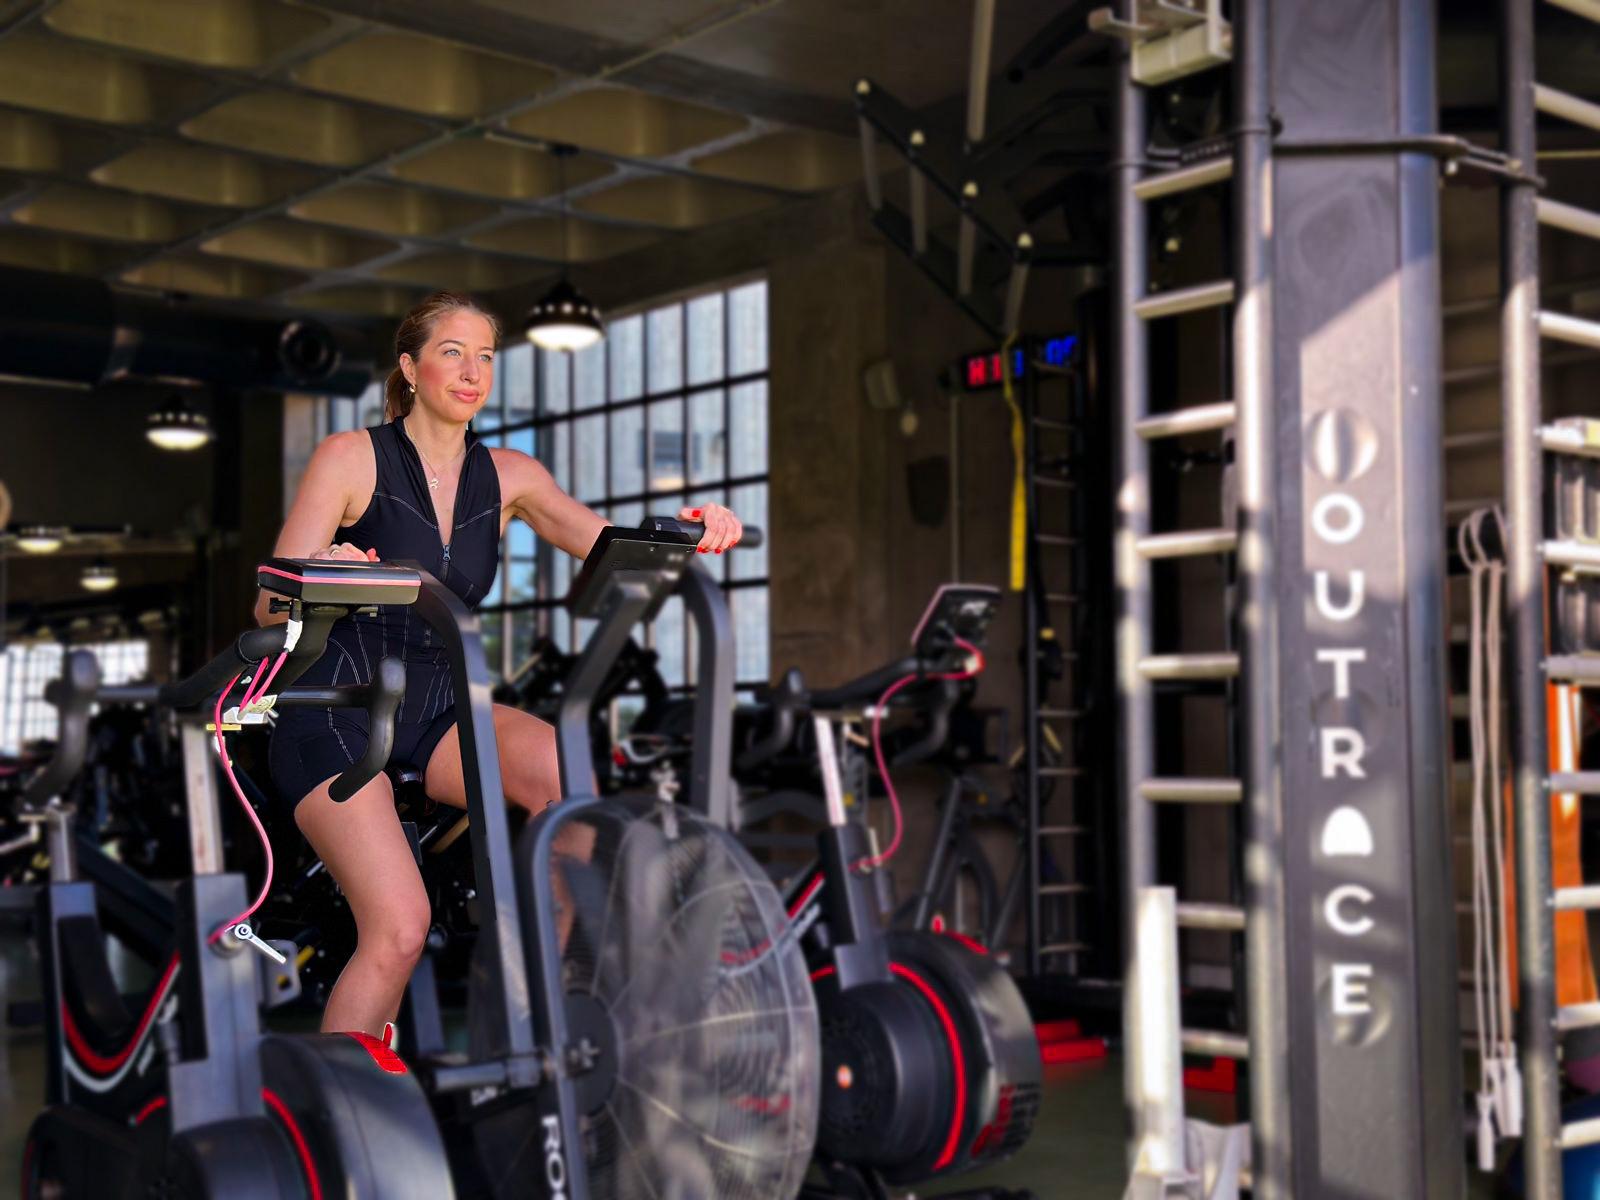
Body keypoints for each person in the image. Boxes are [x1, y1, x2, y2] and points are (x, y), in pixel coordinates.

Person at [258, 291, 742, 1036]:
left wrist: (697, 528)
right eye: (452, 351)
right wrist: (321, 571)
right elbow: (267, 606)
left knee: (564, 773)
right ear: (410, 369)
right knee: (399, 927)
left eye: (485, 355)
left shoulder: (511, 475)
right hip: (338, 711)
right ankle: (337, 1113)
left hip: (441, 709)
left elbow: (609, 543)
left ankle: (529, 995)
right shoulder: (351, 458)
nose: (472, 369)